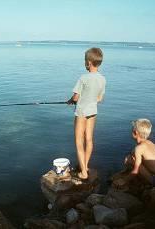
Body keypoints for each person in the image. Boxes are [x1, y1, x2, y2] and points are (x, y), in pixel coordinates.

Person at [67, 47, 106, 180]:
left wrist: (71, 100)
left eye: (85, 61)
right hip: (93, 111)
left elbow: (76, 98)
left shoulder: (83, 78)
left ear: (88, 62)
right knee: (89, 139)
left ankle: (83, 172)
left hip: (82, 112)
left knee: (79, 141)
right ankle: (85, 166)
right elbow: (100, 99)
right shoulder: (102, 79)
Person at [123, 118, 155, 184]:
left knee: (128, 159)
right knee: (133, 156)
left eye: (131, 130)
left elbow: (136, 171)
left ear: (135, 132)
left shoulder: (139, 148)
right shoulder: (150, 142)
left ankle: (137, 180)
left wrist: (124, 180)